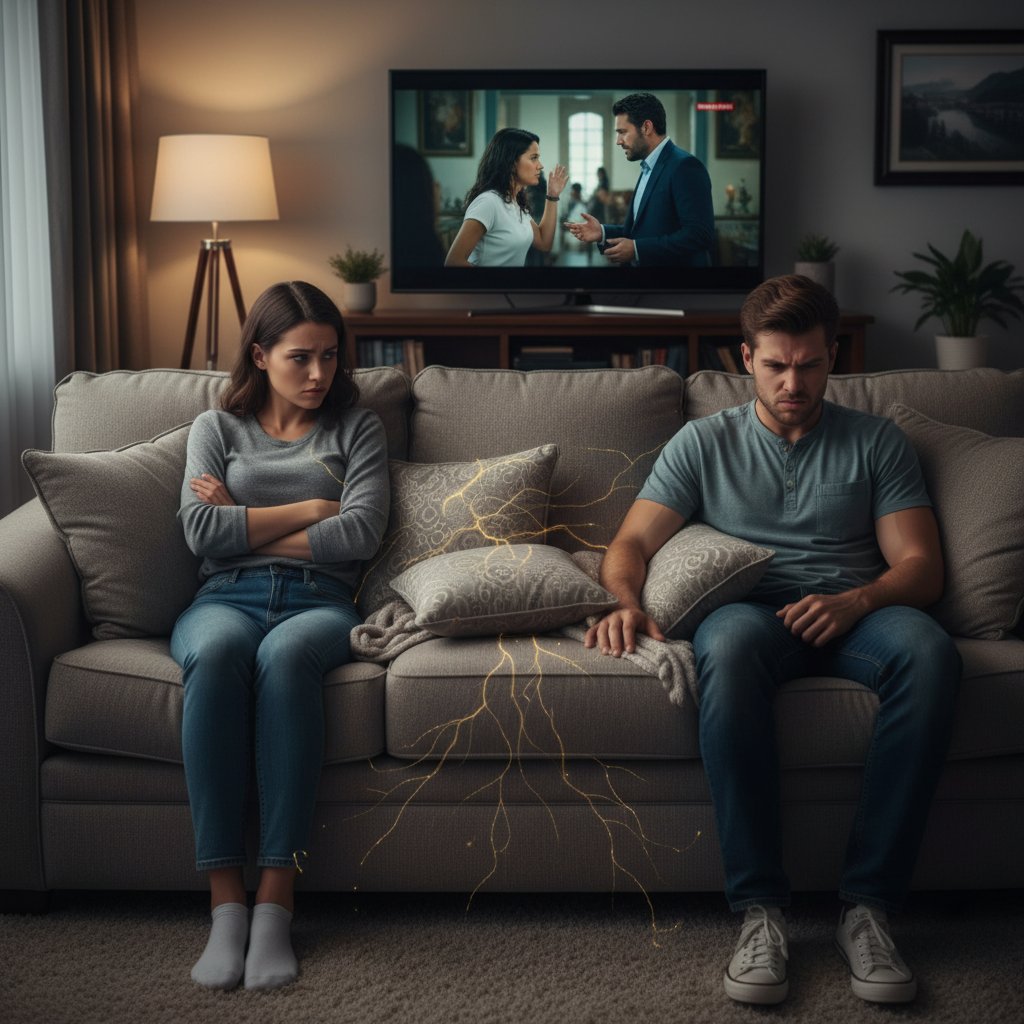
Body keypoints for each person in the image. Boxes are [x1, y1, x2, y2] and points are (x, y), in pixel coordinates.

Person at [584, 274, 960, 1006]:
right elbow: (630, 541)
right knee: (723, 648)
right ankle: (760, 911)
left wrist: (857, 600)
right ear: (746, 357)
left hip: (862, 612)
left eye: (810, 365)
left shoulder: (876, 441)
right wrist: (624, 601)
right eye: (775, 365)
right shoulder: (703, 441)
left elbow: (922, 568)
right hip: (751, 614)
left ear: (832, 359)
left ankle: (869, 909)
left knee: (930, 651)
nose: (793, 382)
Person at [170, 281, 389, 991]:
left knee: (287, 655)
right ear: (260, 355)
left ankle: (275, 901)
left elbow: (359, 534)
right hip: (221, 599)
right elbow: (201, 533)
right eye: (301, 358)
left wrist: (245, 520)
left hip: (320, 602)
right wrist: (311, 506)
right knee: (218, 651)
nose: (319, 374)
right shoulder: (217, 428)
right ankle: (224, 903)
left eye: (330, 356)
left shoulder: (359, 427)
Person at [566, 93, 714, 267]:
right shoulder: (647, 167)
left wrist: (637, 249)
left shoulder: (685, 166)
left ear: (646, 127)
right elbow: (640, 231)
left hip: (675, 288)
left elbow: (699, 235)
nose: (618, 141)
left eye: (622, 132)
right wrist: (602, 232)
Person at [444, 127, 568, 267]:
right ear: (511, 162)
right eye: (534, 158)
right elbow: (453, 262)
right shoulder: (488, 202)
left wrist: (552, 195)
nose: (540, 166)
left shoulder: (516, 203)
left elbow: (544, 243)